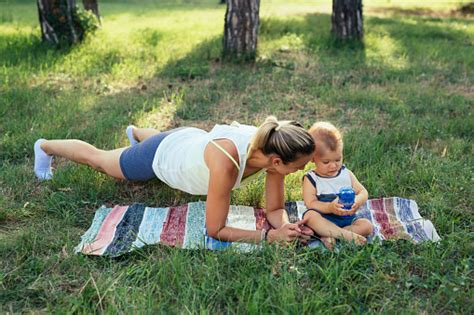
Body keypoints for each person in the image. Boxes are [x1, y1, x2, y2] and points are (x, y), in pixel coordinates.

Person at [34, 117, 316, 244]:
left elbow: (275, 210)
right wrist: (269, 236)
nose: (302, 170)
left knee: (159, 140)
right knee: (102, 161)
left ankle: (137, 133)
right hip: (162, 156)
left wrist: (287, 226)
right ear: (278, 161)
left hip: (187, 140)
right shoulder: (226, 163)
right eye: (300, 166)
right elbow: (215, 229)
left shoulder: (270, 144)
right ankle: (45, 146)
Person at [302, 122, 373, 250]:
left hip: (347, 219)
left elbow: (363, 191)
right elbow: (310, 203)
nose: (333, 166)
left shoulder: (346, 173)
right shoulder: (311, 179)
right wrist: (329, 207)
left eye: (338, 159)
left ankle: (334, 234)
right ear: (313, 158)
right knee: (309, 216)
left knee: (367, 226)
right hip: (323, 219)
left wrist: (358, 200)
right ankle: (345, 235)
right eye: (326, 162)